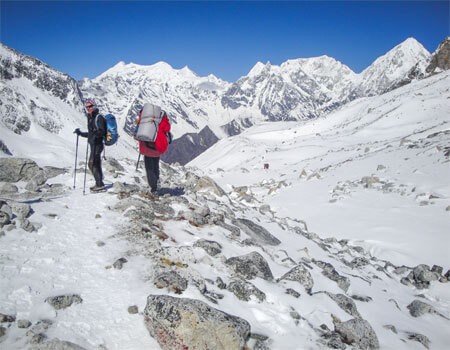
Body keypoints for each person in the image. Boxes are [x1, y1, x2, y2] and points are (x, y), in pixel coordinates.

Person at [136, 108, 171, 195]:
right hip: (158, 146)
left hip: (147, 145)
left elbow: (137, 132)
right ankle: (156, 182)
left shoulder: (145, 120)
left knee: (149, 168)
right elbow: (167, 128)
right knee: (155, 165)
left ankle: (153, 189)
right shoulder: (161, 120)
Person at [74, 99, 106, 192]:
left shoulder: (98, 118)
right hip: (93, 144)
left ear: (94, 106)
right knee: (95, 163)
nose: (88, 108)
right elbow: (91, 133)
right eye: (87, 107)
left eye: (90, 106)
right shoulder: (91, 117)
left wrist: (96, 135)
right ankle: (99, 182)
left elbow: (102, 131)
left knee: (92, 164)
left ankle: (99, 184)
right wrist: (80, 133)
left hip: (98, 144)